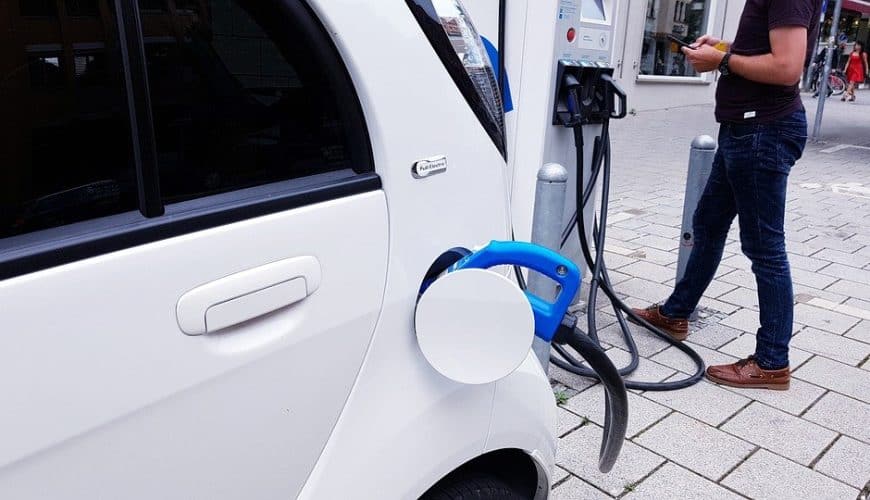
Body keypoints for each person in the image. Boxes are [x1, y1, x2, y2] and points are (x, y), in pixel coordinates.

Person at [631, 0, 823, 391]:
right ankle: (675, 313)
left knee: (764, 247)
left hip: (762, 132)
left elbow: (786, 68)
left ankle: (772, 361)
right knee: (708, 222)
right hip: (745, 130)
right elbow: (766, 48)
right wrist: (724, 48)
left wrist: (722, 62)